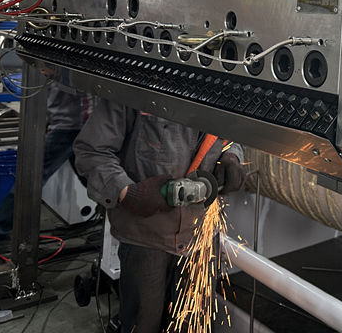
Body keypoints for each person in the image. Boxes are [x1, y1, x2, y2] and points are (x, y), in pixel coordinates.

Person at [73, 99, 247, 333]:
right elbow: (91, 151)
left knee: (193, 325)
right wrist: (128, 193)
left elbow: (231, 137)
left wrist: (232, 156)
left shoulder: (224, 91)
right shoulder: (134, 88)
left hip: (201, 234)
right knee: (143, 324)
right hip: (146, 239)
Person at [0, 76, 95, 255]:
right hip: (67, 124)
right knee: (89, 177)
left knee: (29, 178)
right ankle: (106, 218)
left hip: (71, 128)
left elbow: (80, 91)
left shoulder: (68, 68)